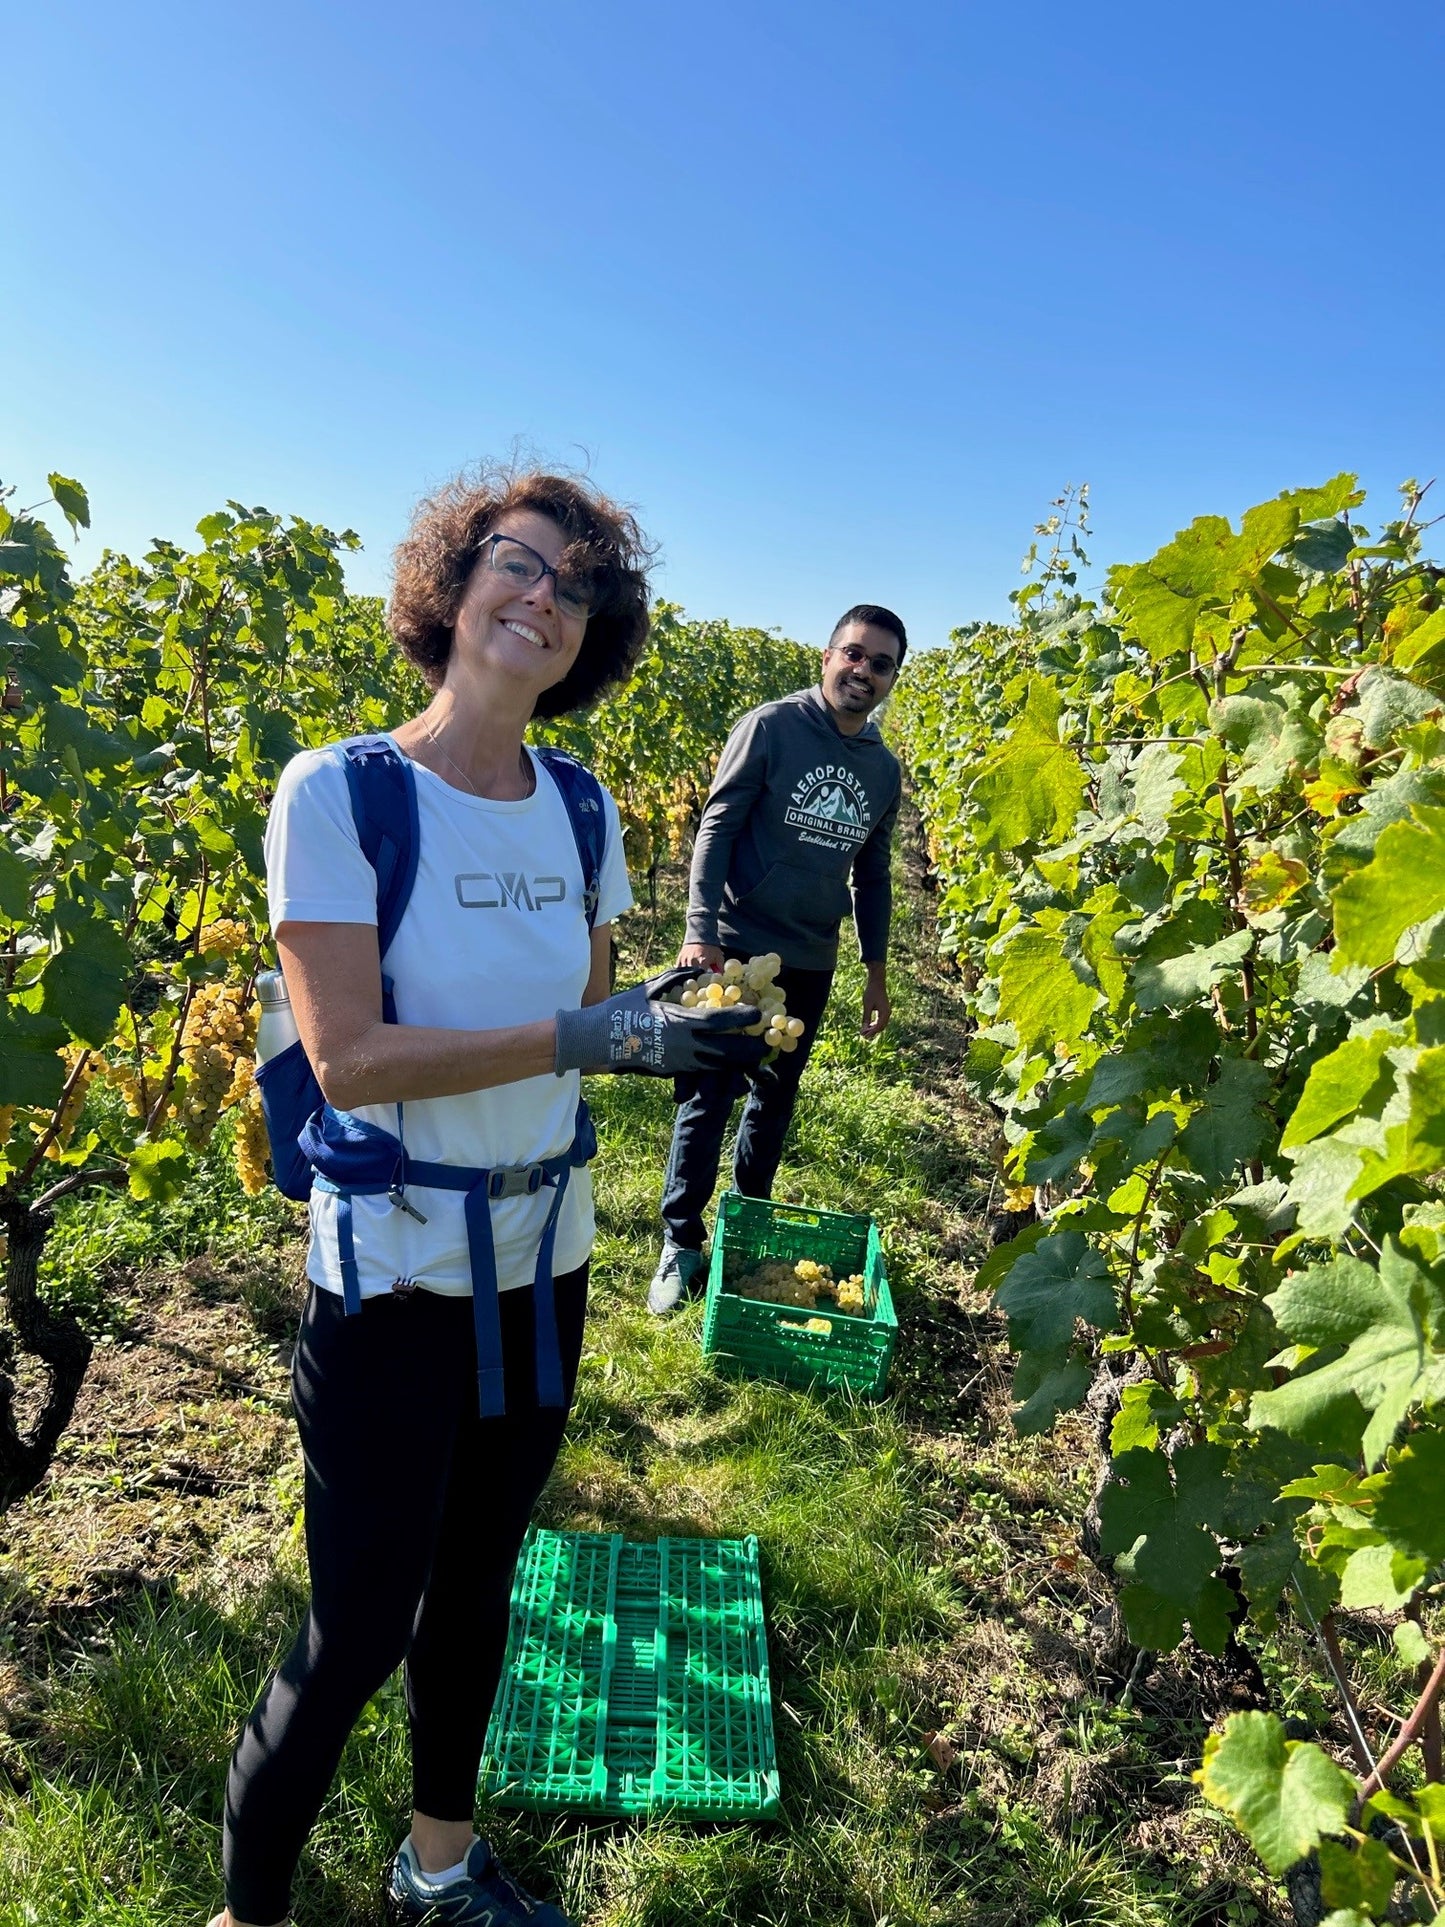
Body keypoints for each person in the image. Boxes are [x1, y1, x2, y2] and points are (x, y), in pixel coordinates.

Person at [211, 468, 765, 1927]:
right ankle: (245, 1909)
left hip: (544, 1253)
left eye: (577, 586)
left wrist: (663, 1026)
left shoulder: (581, 810)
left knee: (481, 1580)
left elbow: (588, 1011)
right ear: (450, 589)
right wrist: (580, 1038)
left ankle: (436, 1865)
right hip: (393, 1266)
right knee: (358, 1623)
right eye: (517, 565)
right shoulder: (343, 793)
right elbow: (350, 1058)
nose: (544, 598)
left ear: (598, 631)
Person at [649, 605, 906, 1314]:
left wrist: (875, 969)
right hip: (735, 943)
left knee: (774, 1093)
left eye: (879, 663)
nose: (863, 671)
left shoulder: (883, 769)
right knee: (708, 1093)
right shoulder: (770, 727)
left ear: (891, 679)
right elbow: (717, 825)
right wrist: (700, 931)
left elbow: (873, 875)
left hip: (810, 956)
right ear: (826, 656)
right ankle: (681, 1240)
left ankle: (748, 1217)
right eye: (853, 654)